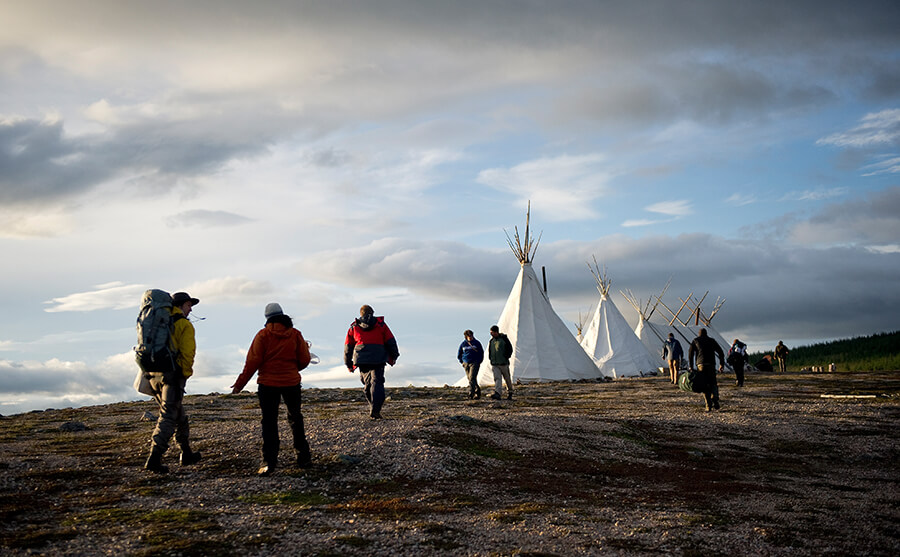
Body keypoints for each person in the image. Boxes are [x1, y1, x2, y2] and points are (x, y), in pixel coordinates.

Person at [231, 303, 312, 477]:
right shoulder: (295, 334)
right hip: (291, 382)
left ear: (267, 318)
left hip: (267, 384)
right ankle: (303, 456)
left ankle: (269, 461)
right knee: (295, 417)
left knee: (269, 421)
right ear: (282, 315)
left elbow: (252, 362)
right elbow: (305, 359)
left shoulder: (262, 335)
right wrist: (292, 369)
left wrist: (239, 385)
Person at [144, 291, 201, 473]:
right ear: (180, 305)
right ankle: (154, 458)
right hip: (172, 378)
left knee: (179, 416)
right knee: (168, 417)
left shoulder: (158, 323)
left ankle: (186, 452)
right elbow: (187, 354)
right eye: (188, 305)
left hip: (153, 377)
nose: (190, 309)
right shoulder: (183, 325)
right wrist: (184, 374)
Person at [344, 305, 399, 419]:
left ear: (361, 314)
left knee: (368, 383)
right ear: (372, 313)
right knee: (377, 382)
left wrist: (348, 363)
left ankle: (373, 406)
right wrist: (394, 355)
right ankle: (375, 409)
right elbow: (390, 341)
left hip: (361, 359)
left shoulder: (354, 327)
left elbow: (348, 347)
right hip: (378, 357)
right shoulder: (381, 325)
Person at [688, 328, 725, 412]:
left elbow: (690, 354)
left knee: (704, 384)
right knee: (713, 382)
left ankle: (708, 406)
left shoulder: (695, 340)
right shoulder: (711, 340)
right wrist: (721, 364)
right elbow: (720, 352)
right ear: (706, 333)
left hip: (701, 365)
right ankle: (715, 397)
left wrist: (691, 366)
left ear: (699, 334)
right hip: (711, 364)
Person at [488, 325, 514, 400]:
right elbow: (490, 351)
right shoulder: (492, 341)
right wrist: (491, 359)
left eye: (492, 333)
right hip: (495, 363)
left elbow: (510, 349)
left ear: (496, 332)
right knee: (497, 378)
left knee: (507, 378)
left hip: (503, 363)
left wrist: (506, 356)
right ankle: (498, 393)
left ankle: (510, 391)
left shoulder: (504, 339)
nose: (491, 334)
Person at [458, 330, 484, 399]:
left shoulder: (477, 343)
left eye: (471, 335)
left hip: (474, 362)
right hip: (466, 363)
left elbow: (481, 352)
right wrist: (462, 362)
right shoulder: (463, 344)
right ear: (466, 336)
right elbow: (459, 353)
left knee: (472, 377)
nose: (470, 337)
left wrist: (479, 361)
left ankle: (471, 393)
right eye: (468, 336)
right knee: (470, 378)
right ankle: (477, 390)